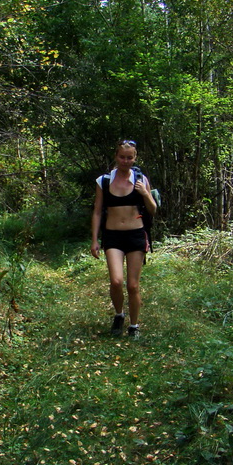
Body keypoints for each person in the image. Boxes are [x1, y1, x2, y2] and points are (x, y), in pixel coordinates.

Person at [90, 139, 158, 338]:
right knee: (116, 281)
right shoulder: (104, 181)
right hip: (112, 237)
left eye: (130, 157)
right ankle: (119, 314)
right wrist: (95, 240)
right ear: (116, 156)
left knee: (133, 285)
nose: (126, 161)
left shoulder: (140, 179)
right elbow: (96, 212)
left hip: (136, 235)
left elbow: (153, 210)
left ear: (135, 158)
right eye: (122, 157)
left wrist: (145, 193)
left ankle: (134, 326)